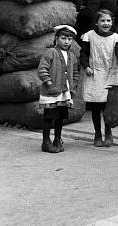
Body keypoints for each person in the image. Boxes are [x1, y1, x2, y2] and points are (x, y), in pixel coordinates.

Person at [80, 10, 118, 147]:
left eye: (108, 21)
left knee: (108, 107)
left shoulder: (115, 38)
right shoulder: (89, 36)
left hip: (110, 75)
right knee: (96, 107)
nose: (105, 23)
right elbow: (83, 54)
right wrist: (86, 66)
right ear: (97, 23)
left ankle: (108, 132)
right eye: (102, 21)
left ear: (112, 22)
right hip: (94, 74)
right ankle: (97, 134)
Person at [37, 25, 80, 153]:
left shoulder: (72, 55)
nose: (66, 41)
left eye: (69, 39)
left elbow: (76, 72)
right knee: (49, 116)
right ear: (56, 38)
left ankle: (57, 138)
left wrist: (74, 85)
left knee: (60, 116)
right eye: (63, 38)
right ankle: (46, 141)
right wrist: (49, 83)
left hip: (64, 92)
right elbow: (42, 69)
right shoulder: (51, 52)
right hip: (52, 92)